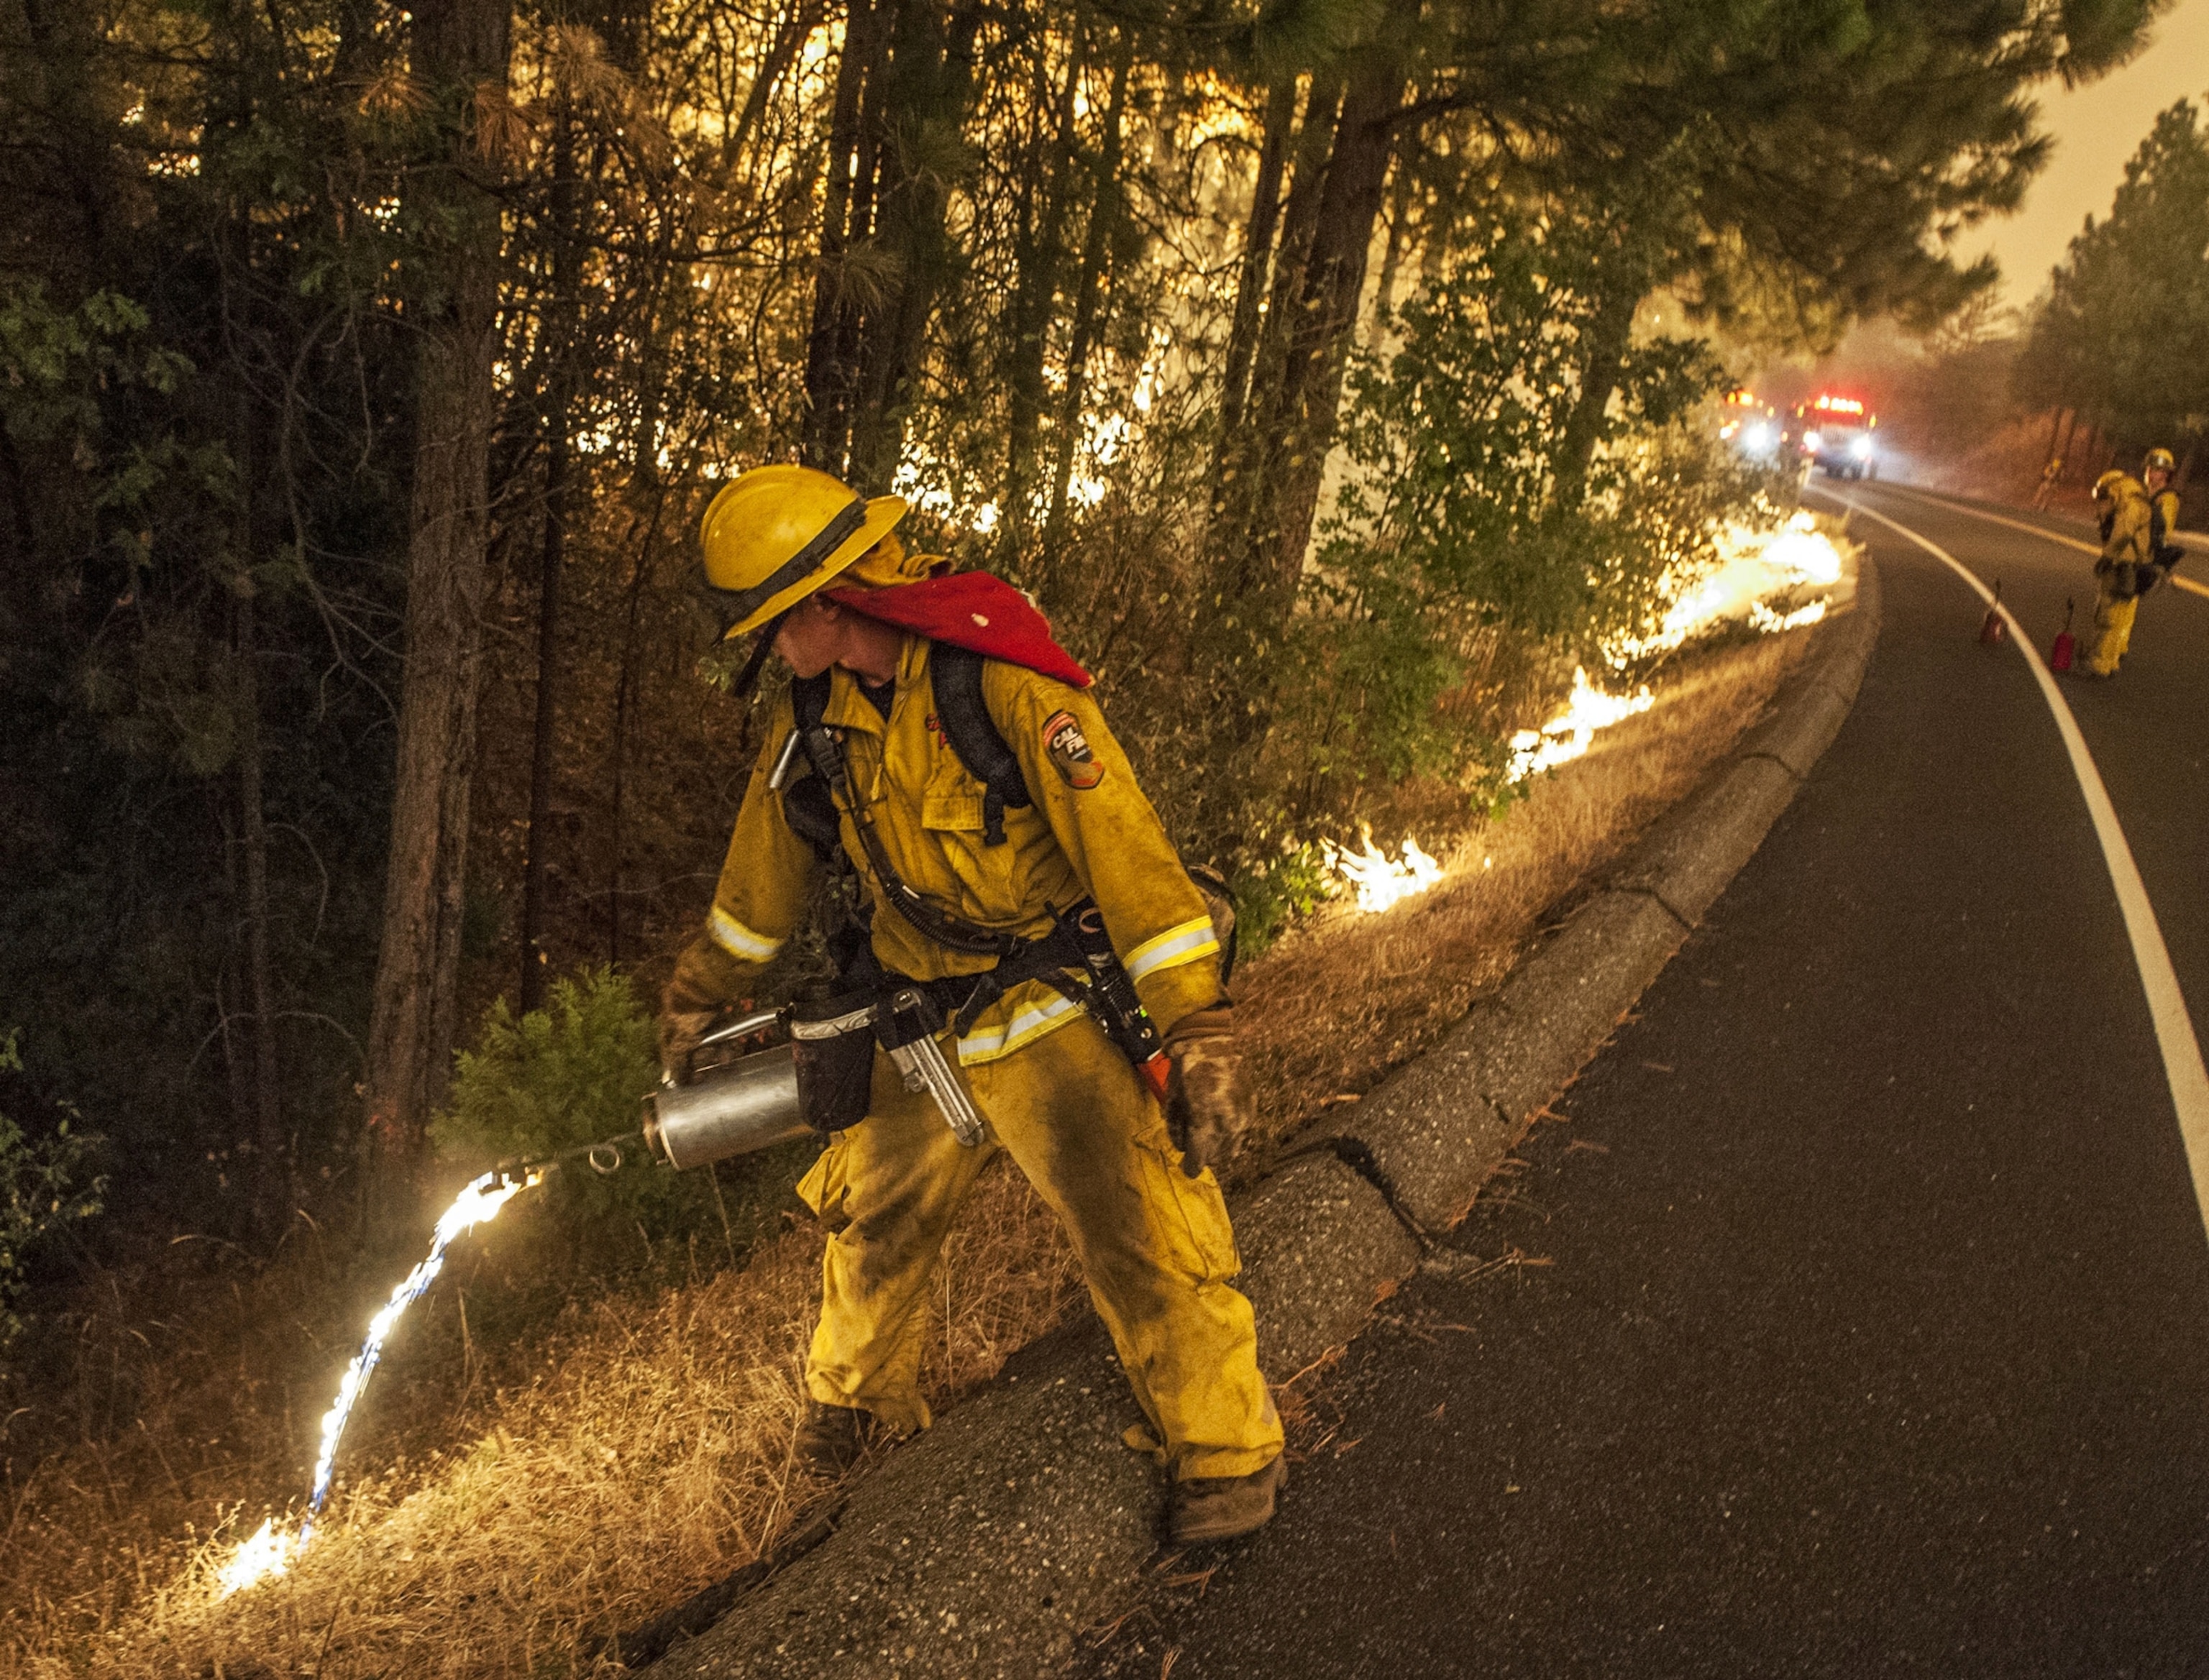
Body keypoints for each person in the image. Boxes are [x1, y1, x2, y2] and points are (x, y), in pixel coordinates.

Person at [658, 463, 1286, 1543]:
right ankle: (852, 1407)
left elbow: (1132, 859)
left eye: (771, 630)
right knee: (872, 1214)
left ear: (827, 602)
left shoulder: (1001, 684)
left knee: (1140, 1224)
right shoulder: (813, 716)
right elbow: (756, 881)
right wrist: (694, 1000)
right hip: (920, 1013)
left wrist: (1197, 1023)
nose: (768, 657)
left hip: (1049, 1008)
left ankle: (1228, 1453)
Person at [2080, 464, 2153, 678]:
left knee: (2108, 615)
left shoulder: (2127, 502)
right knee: (2118, 617)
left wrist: (2108, 556)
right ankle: (2109, 662)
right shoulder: (2135, 499)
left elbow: (2124, 531)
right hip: (2131, 564)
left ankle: (2100, 663)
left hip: (2122, 565)